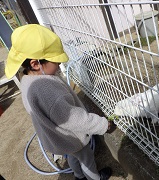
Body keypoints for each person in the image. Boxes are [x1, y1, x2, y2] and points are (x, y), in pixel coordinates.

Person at [5, 24, 112, 180]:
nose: (59, 65)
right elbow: (74, 119)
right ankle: (94, 178)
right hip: (71, 137)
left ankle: (78, 176)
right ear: (35, 64)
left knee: (73, 157)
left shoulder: (27, 79)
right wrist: (102, 124)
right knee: (87, 160)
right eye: (55, 61)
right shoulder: (47, 90)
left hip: (59, 139)